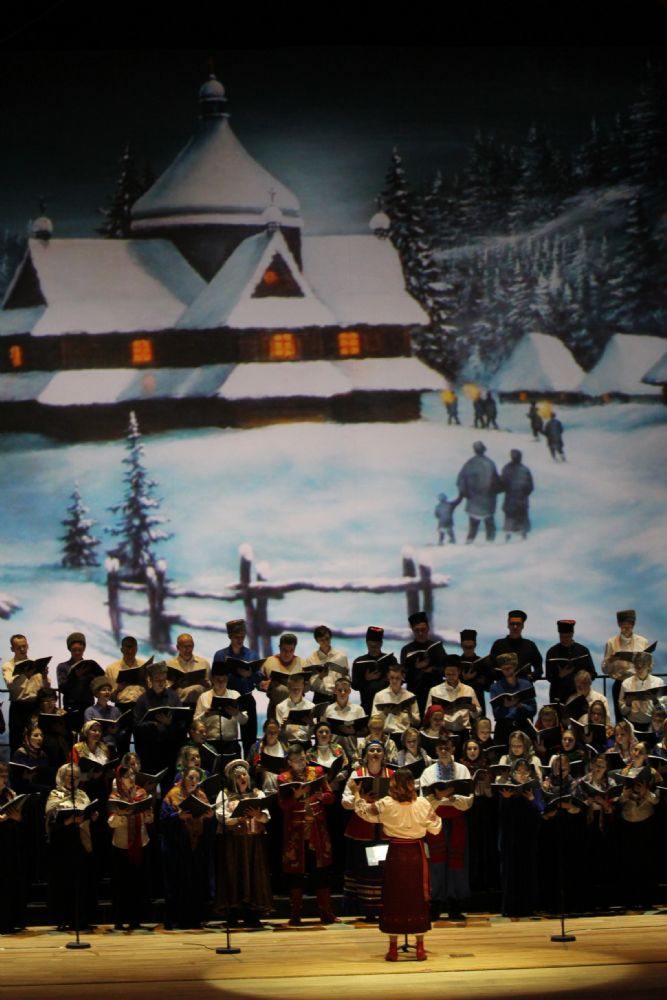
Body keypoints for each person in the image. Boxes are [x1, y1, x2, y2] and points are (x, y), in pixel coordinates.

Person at [350, 767, 441, 961]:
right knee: (417, 897)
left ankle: (393, 949)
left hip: (396, 854)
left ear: (393, 784)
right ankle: (420, 948)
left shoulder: (386, 804)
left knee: (394, 897)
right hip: (415, 854)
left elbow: (364, 812)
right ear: (412, 784)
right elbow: (436, 828)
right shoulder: (423, 804)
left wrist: (356, 794)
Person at [277, 743, 338, 926]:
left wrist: (321, 797)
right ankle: (296, 914)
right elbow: (282, 805)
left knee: (320, 871)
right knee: (296, 873)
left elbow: (331, 797)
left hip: (317, 831)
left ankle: (326, 913)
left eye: (302, 759)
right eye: (296, 761)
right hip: (295, 833)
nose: (300, 763)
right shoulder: (283, 778)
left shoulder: (317, 772)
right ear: (289, 762)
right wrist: (296, 796)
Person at [215, 758, 272, 929]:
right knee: (234, 874)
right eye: (238, 776)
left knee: (254, 875)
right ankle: (233, 913)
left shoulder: (257, 794)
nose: (242, 778)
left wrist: (257, 814)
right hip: (234, 842)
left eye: (244, 775)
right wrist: (237, 818)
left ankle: (252, 914)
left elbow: (266, 817)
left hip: (254, 841)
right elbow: (221, 816)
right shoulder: (225, 794)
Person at [421, 735, 473, 922]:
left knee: (456, 863)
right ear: (436, 750)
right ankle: (435, 904)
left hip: (457, 820)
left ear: (453, 749)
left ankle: (455, 905)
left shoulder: (462, 770)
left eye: (447, 748)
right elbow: (423, 799)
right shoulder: (428, 772)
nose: (443, 751)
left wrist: (451, 798)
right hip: (436, 821)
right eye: (440, 748)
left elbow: (469, 800)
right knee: (436, 863)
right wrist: (439, 797)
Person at [341, 740, 393, 922]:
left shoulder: (392, 775)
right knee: (365, 869)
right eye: (372, 750)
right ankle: (367, 909)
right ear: (365, 755)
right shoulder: (357, 774)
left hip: (384, 830)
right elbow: (345, 801)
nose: (375, 753)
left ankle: (385, 907)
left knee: (382, 869)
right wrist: (361, 797)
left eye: (379, 750)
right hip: (362, 831)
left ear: (384, 755)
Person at [45, 763, 98, 931]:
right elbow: (50, 820)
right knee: (65, 883)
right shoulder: (55, 794)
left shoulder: (82, 794)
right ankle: (65, 919)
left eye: (76, 776)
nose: (73, 779)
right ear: (62, 776)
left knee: (81, 882)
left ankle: (81, 919)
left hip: (80, 842)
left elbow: (86, 813)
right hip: (63, 845)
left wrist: (92, 817)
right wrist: (68, 821)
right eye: (69, 776)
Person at [160, 767, 215, 930]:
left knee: (195, 883)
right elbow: (163, 819)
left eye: (196, 778)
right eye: (190, 777)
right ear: (183, 778)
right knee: (177, 883)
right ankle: (176, 920)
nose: (193, 781)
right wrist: (178, 816)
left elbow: (208, 821)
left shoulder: (201, 795)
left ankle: (194, 919)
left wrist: (208, 817)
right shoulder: (173, 794)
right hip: (177, 846)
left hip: (196, 846)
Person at [107, 763, 154, 931]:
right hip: (121, 845)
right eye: (127, 776)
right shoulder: (115, 796)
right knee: (122, 885)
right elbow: (111, 823)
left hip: (140, 843)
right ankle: (120, 919)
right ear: (120, 779)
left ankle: (136, 919)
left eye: (133, 775)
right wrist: (121, 814)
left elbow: (149, 819)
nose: (131, 778)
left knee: (138, 884)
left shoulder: (141, 793)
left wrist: (148, 815)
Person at [497, 758, 543, 918]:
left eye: (525, 771)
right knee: (511, 872)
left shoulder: (534, 788)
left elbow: (540, 812)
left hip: (528, 837)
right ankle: (511, 907)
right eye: (519, 771)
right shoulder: (507, 787)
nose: (522, 775)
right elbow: (501, 816)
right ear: (513, 772)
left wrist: (531, 800)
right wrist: (506, 799)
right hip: (511, 838)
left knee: (527, 870)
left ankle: (528, 906)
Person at [212, 619, 262, 753]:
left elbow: (259, 678)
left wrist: (249, 674)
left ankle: (249, 764)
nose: (240, 640)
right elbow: (215, 677)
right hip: (226, 699)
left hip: (246, 698)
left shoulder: (251, 654)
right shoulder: (220, 655)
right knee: (226, 737)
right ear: (229, 636)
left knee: (250, 739)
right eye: (236, 637)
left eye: (242, 637)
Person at [602, 609, 650, 723]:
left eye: (630, 625)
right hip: (620, 684)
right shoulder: (611, 642)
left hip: (639, 684)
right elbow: (605, 670)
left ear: (634, 624)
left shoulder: (643, 642)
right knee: (621, 720)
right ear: (619, 624)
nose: (627, 628)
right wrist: (610, 661)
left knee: (640, 716)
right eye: (624, 625)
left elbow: (650, 667)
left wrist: (643, 665)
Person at [2, 633, 47, 753]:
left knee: (37, 741)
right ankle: (16, 765)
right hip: (18, 706)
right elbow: (10, 685)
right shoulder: (8, 665)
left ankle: (36, 764)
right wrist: (24, 675)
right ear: (12, 649)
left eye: (24, 646)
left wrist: (44, 676)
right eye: (18, 647)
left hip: (35, 706)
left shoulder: (34, 663)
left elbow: (44, 687)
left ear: (28, 646)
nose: (22, 649)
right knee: (16, 742)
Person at [194, 660, 248, 752]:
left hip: (231, 743)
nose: (221, 683)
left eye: (224, 680)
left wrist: (236, 713)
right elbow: (195, 722)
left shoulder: (235, 695)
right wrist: (206, 715)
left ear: (227, 679)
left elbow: (244, 720)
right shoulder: (204, 697)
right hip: (210, 742)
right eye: (218, 680)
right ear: (212, 679)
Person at [400, 611, 447, 716]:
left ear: (428, 629)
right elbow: (404, 677)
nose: (420, 633)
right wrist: (416, 667)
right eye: (417, 630)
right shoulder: (406, 650)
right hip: (415, 693)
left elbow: (446, 670)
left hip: (436, 693)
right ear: (412, 630)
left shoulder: (437, 647)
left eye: (423, 630)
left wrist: (432, 670)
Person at [456, 441, 501, 543]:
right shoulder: (490, 463)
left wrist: (465, 493)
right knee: (490, 525)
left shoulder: (469, 463)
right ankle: (490, 543)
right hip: (488, 500)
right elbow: (496, 482)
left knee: (473, 526)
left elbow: (461, 480)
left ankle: (469, 542)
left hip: (473, 500)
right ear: (484, 450)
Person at [0, 761, 27, 934]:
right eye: (1, 776)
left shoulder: (10, 793)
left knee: (9, 880)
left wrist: (17, 817)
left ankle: (10, 921)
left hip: (9, 840)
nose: (4, 779)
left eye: (5, 775)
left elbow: (18, 816)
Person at [489, 652, 537, 745]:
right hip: (504, 728)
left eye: (509, 668)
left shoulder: (526, 684)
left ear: (515, 667)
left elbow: (533, 709)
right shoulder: (495, 687)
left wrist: (521, 706)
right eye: (504, 669)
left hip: (523, 725)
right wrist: (506, 706)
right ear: (500, 669)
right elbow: (496, 714)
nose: (507, 670)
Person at [545, 619, 595, 705]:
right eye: (561, 637)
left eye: (567, 637)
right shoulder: (552, 652)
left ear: (572, 634)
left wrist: (583, 678)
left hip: (580, 692)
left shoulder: (583, 651)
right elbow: (548, 677)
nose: (564, 639)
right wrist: (560, 675)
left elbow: (593, 673)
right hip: (558, 693)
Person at [425, 659, 481, 733]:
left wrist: (474, 710)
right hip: (442, 731)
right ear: (444, 672)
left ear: (459, 672)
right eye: (448, 674)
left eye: (454, 674)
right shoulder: (435, 690)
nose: (451, 677)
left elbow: (477, 714)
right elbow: (427, 713)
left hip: (463, 731)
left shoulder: (469, 690)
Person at [352, 626, 396, 716]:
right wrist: (366, 679)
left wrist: (391, 679)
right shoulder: (359, 662)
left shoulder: (391, 660)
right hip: (367, 705)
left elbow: (401, 681)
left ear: (381, 644)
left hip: (388, 705)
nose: (373, 648)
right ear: (366, 643)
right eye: (370, 646)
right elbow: (354, 686)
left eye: (376, 646)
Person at [489, 609, 543, 682]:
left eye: (518, 624)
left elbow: (539, 669)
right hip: (503, 686)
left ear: (523, 626)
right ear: (508, 625)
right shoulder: (498, 645)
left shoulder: (530, 645)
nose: (515, 627)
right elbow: (491, 668)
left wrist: (531, 676)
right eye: (512, 624)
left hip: (525, 686)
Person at [304, 625, 349, 704]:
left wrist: (345, 680)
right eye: (322, 640)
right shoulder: (310, 659)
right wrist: (320, 677)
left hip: (339, 696)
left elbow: (348, 679)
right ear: (317, 641)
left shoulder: (341, 656)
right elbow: (310, 687)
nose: (325, 642)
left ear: (331, 637)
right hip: (319, 698)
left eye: (327, 639)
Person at [261, 633, 305, 716]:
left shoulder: (302, 663)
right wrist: (262, 684)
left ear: (295, 649)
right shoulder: (268, 662)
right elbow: (259, 683)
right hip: (275, 708)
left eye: (291, 650)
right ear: (279, 647)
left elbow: (308, 686)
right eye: (284, 650)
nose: (287, 654)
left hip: (296, 708)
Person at [371, 664, 420, 736]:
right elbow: (373, 721)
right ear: (388, 676)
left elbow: (417, 723)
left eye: (397, 678)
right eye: (392, 678)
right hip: (386, 734)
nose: (394, 681)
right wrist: (385, 713)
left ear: (403, 677)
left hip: (405, 735)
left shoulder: (410, 696)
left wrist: (410, 713)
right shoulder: (379, 695)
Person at [620, 652, 665, 728]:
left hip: (653, 725)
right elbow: (623, 712)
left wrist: (655, 701)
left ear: (649, 666)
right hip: (632, 724)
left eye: (643, 666)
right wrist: (628, 703)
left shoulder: (658, 682)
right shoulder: (626, 683)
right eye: (637, 666)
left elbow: (663, 711)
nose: (639, 669)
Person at [166, 633, 210, 705]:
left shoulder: (204, 663)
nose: (188, 650)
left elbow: (210, 689)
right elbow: (166, 691)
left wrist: (206, 684)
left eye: (190, 646)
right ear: (178, 647)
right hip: (178, 705)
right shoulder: (169, 665)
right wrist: (177, 684)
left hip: (200, 705)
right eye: (185, 647)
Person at [500, 449, 533, 541]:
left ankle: (508, 532)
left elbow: (502, 484)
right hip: (522, 499)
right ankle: (523, 532)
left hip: (510, 498)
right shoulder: (525, 470)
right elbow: (530, 486)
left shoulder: (506, 469)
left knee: (509, 515)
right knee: (522, 514)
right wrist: (525, 493)